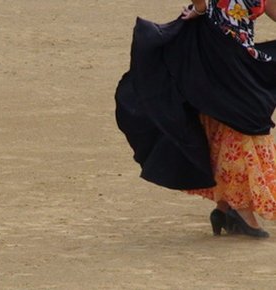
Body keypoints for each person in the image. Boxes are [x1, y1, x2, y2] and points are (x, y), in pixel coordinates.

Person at [115, 0, 276, 238]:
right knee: (243, 119)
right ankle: (239, 209)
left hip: (241, 53)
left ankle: (225, 207)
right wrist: (200, 8)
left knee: (230, 120)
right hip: (216, 49)